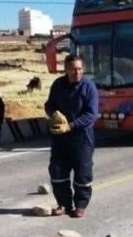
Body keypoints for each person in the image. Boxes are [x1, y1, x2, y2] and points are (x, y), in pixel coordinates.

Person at [44, 54, 99, 218]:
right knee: (57, 170)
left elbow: (91, 114)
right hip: (60, 137)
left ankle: (80, 205)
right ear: (66, 70)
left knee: (83, 172)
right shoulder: (58, 85)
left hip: (82, 136)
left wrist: (71, 125)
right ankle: (63, 204)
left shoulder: (89, 87)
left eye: (80, 69)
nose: (77, 72)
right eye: (73, 69)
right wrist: (54, 114)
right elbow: (49, 104)